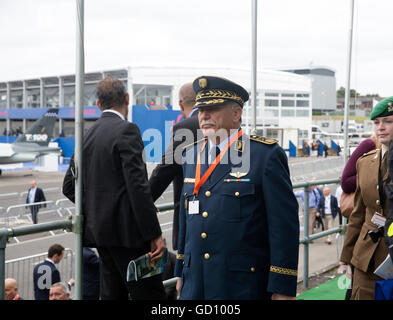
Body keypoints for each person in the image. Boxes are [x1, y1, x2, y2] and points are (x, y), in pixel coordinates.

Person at [174, 76, 299, 300]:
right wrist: (181, 272)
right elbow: (186, 218)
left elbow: (283, 227)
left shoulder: (263, 155)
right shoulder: (191, 155)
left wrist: (282, 286)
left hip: (240, 286)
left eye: (213, 108)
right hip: (196, 285)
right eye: (201, 109)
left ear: (236, 114)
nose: (204, 116)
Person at [62, 77, 166, 300]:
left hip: (99, 235)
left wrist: (99, 209)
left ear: (98, 105)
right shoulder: (127, 130)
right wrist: (154, 233)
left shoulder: (86, 135)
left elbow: (69, 186)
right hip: (130, 236)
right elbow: (137, 187)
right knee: (151, 296)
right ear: (127, 99)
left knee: (111, 295)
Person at [340, 97, 393, 300]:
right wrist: (346, 256)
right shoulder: (365, 163)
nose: (381, 127)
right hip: (367, 258)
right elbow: (358, 213)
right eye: (377, 122)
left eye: (388, 121)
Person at [149, 82, 202, 251]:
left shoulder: (185, 127)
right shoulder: (219, 123)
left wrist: (145, 199)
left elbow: (165, 169)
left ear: (180, 104)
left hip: (190, 221)